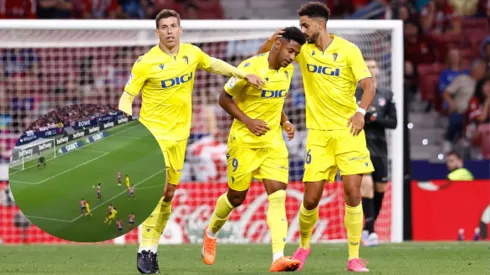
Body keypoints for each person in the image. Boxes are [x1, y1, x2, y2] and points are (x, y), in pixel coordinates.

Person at [118, 9, 263, 274]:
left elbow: (214, 64)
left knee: (169, 195)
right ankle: (145, 250)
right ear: (157, 32)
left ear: (180, 29)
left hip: (180, 138)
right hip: (153, 136)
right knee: (158, 190)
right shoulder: (145, 62)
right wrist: (126, 121)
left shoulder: (191, 53)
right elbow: (127, 96)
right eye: (165, 27)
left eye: (174, 26)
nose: (170, 31)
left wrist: (244, 75)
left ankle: (152, 248)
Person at [257, 2, 375, 272]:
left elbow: (368, 85)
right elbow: (265, 60)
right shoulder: (303, 50)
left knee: (353, 192)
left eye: (305, 25)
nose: (303, 29)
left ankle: (354, 257)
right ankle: (305, 245)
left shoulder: (348, 50)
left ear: (320, 24)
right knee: (310, 199)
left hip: (349, 132)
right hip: (319, 135)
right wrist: (271, 41)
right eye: (300, 25)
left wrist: (360, 112)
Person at [201, 26, 305, 272]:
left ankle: (278, 256)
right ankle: (211, 231)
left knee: (278, 196)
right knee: (236, 197)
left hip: (272, 143)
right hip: (244, 141)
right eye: (290, 50)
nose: (292, 57)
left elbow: (273, 100)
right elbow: (224, 99)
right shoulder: (249, 68)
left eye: (296, 54)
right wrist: (248, 121)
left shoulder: (287, 71)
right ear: (278, 44)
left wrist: (285, 121)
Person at [355, 57, 397, 247]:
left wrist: (373, 119)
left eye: (374, 66)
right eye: (368, 66)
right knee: (367, 187)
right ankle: (370, 231)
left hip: (380, 147)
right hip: (360, 145)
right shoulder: (354, 92)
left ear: (378, 70)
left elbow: (393, 123)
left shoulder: (386, 94)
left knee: (380, 189)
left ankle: (368, 227)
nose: (371, 69)